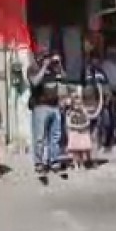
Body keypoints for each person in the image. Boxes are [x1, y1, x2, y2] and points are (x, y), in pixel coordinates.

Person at [28, 50, 66, 181]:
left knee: (55, 136)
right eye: (43, 57)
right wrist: (44, 67)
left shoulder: (54, 69)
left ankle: (54, 161)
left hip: (55, 106)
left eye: (47, 57)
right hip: (40, 107)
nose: (46, 60)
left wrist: (59, 65)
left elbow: (64, 79)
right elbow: (35, 82)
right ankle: (39, 162)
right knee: (40, 137)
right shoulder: (33, 69)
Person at [66, 94, 93, 169]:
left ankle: (82, 163)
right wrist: (76, 127)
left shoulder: (84, 112)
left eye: (79, 104)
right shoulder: (70, 112)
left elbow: (88, 121)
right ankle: (75, 164)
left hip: (82, 132)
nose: (77, 105)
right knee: (75, 150)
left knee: (81, 149)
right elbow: (68, 123)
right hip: (74, 132)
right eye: (76, 104)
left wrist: (84, 126)